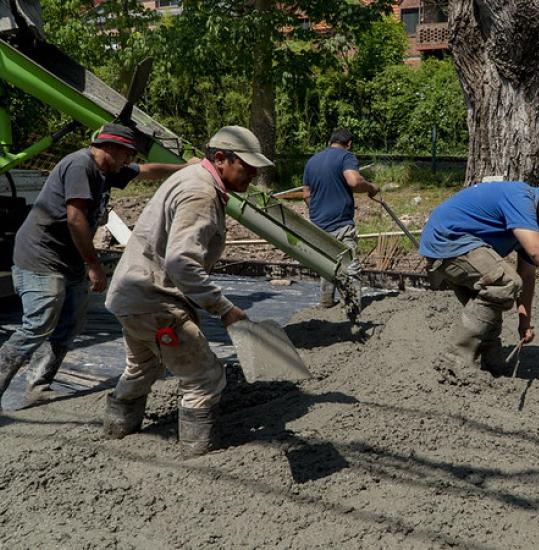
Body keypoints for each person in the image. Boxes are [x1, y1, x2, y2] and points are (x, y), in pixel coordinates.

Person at [102, 126, 272, 458]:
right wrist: (223, 308)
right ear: (221, 159)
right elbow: (182, 262)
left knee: (142, 367)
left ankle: (117, 431)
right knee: (205, 377)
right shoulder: (202, 192)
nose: (253, 174)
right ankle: (198, 456)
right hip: (155, 300)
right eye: (247, 167)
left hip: (132, 295)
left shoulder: (194, 176)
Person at [0, 123, 188, 410]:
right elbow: (75, 218)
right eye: (127, 154)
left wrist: (187, 169)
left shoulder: (107, 169)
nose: (129, 160)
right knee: (37, 325)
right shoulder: (81, 166)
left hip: (68, 259)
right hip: (40, 258)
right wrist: (95, 266)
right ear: (110, 148)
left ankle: (38, 385)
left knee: (69, 323)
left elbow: (147, 171)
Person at [419, 177, 539, 381]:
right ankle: (454, 360)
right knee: (505, 282)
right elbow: (536, 251)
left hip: (457, 245)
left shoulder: (532, 222)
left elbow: (527, 274)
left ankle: (489, 362)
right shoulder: (520, 198)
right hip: (447, 241)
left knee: (493, 299)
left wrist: (524, 322)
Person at [302, 127, 379, 309]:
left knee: (327, 262)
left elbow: (306, 194)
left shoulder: (312, 161)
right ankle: (353, 305)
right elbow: (354, 181)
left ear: (330, 141)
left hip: (318, 223)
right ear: (349, 144)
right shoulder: (346, 157)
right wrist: (371, 187)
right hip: (341, 222)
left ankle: (327, 301)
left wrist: (317, 210)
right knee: (349, 263)